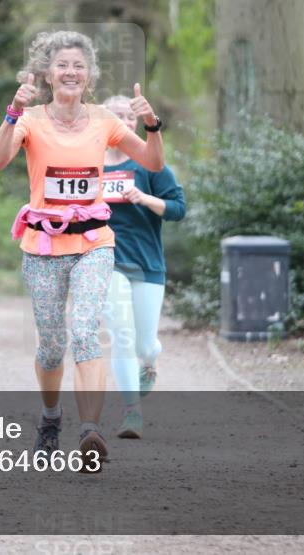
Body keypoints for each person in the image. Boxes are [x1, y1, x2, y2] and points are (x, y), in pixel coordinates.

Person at [0, 30, 165, 471]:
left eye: (78, 66)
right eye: (62, 65)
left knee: (86, 330)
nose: (70, 72)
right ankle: (51, 418)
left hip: (94, 243)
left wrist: (153, 125)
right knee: (51, 345)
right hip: (44, 244)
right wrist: (12, 111)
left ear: (89, 76)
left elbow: (153, 162)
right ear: (48, 73)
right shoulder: (30, 118)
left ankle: (90, 431)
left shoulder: (105, 119)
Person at [101, 95, 186, 439]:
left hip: (147, 263)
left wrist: (145, 198)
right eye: (116, 115)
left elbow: (179, 209)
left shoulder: (150, 164)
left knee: (143, 344)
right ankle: (131, 412)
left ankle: (150, 361)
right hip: (106, 261)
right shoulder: (89, 163)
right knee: (121, 334)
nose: (124, 121)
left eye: (129, 116)